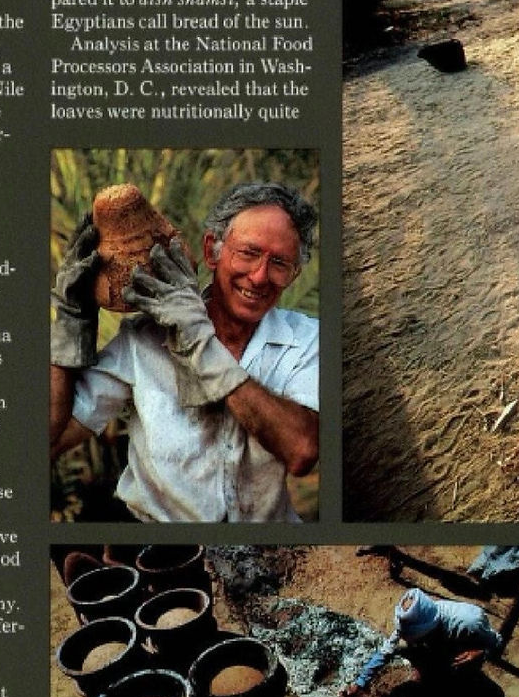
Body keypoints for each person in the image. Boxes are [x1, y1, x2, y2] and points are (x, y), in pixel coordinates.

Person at [50, 180, 319, 522]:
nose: (259, 277)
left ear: (293, 275)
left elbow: (302, 451)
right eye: (248, 253)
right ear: (211, 250)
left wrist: (200, 344)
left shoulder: (307, 339)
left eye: (280, 263)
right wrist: (71, 326)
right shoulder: (141, 340)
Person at [340, 588, 504, 697]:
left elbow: (497, 642)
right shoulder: (410, 621)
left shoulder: (468, 623)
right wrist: (360, 682)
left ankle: (458, 687)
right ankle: (429, 670)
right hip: (438, 645)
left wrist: (481, 653)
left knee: (462, 666)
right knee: (403, 647)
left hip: (462, 648)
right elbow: (385, 652)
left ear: (427, 629)